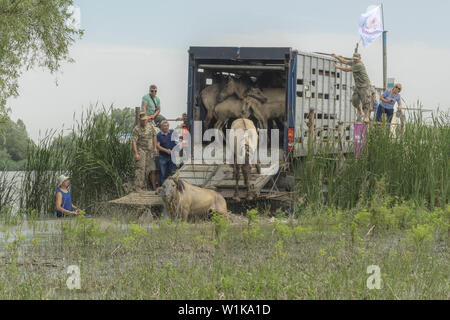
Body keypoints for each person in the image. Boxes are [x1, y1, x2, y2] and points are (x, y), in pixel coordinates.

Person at [332, 52, 372, 122]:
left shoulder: (359, 65)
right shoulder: (354, 62)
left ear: (360, 59)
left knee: (365, 102)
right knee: (354, 100)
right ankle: (361, 112)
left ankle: (366, 117)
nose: (355, 60)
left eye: (356, 59)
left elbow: (347, 70)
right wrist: (336, 56)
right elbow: (344, 61)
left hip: (364, 85)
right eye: (354, 59)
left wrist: (337, 67)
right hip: (358, 86)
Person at [132, 112, 158, 192]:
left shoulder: (150, 127)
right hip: (141, 150)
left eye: (145, 120)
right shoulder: (136, 129)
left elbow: (154, 136)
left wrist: (155, 148)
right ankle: (138, 187)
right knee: (140, 168)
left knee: (147, 169)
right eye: (143, 120)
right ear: (139, 120)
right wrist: (136, 153)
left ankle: (144, 186)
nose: (144, 121)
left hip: (149, 151)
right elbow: (134, 142)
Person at [157, 120, 178, 186]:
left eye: (167, 126)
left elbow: (178, 142)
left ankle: (173, 188)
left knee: (173, 173)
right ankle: (162, 188)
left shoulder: (173, 132)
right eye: (164, 126)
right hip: (163, 156)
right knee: (163, 174)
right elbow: (158, 146)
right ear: (161, 127)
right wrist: (166, 150)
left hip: (173, 156)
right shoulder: (159, 135)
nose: (166, 127)